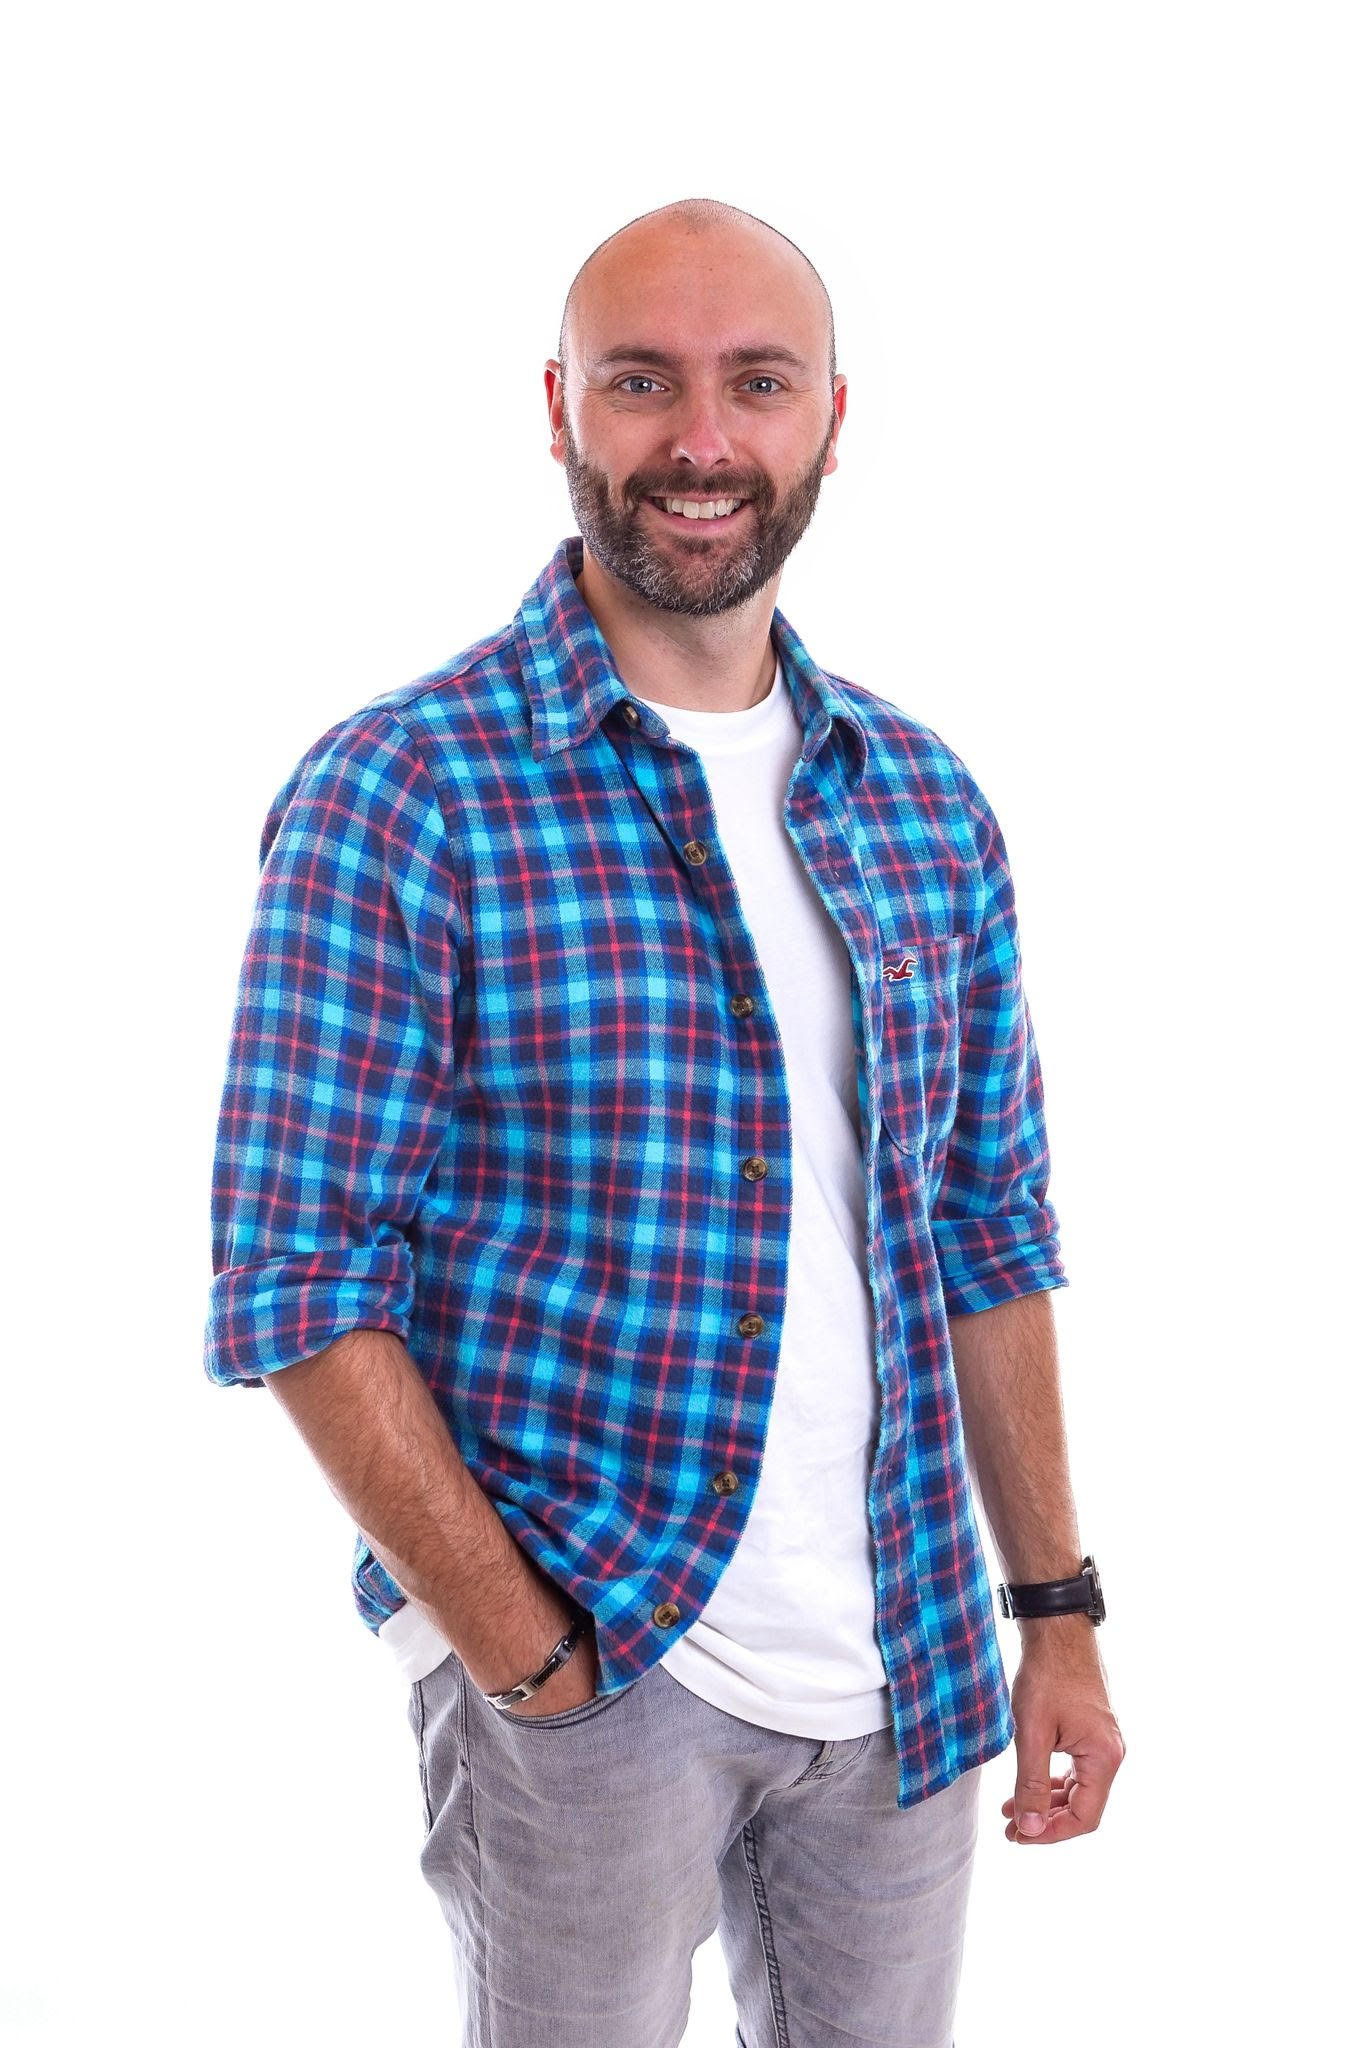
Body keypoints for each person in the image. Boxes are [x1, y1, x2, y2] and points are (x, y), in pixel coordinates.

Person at [203, 194, 1125, 2048]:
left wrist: (1057, 1612)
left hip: (907, 1665)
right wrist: (523, 1653)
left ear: (830, 419)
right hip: (592, 1655)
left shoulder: (923, 801)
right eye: (643, 384)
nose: (700, 441)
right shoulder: (408, 793)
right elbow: (294, 1277)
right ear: (559, 407)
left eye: (753, 384)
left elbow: (986, 1222)